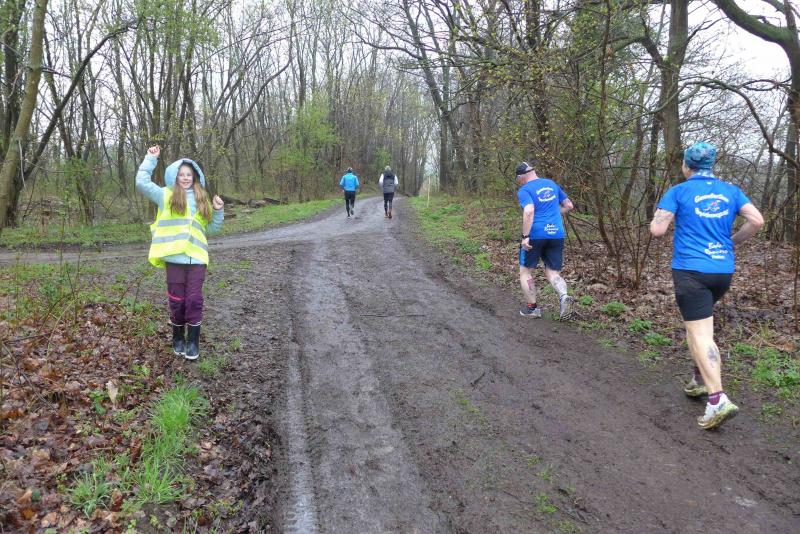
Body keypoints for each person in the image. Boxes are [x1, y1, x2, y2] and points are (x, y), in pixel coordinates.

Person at [650, 141, 764, 430]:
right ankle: (698, 380)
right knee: (698, 328)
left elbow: (657, 230)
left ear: (686, 165)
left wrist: (661, 216)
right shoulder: (731, 191)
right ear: (711, 165)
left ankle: (717, 399)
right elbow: (756, 220)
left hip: (691, 271)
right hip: (722, 271)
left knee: (700, 333)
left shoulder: (679, 191)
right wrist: (732, 242)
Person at [136, 145, 225, 361]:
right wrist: (150, 159)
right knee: (177, 300)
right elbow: (141, 183)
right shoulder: (165, 195)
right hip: (174, 257)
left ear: (195, 177)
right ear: (175, 176)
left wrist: (218, 211)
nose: (185, 178)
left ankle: (193, 341)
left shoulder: (202, 198)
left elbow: (211, 229)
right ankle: (177, 336)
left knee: (193, 299)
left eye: (189, 174)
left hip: (197, 258)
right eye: (181, 174)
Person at [515, 161, 575, 320]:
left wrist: (525, 236)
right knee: (552, 272)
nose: (519, 182)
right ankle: (564, 296)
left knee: (525, 271)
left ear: (522, 176)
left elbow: (529, 211)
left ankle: (532, 309)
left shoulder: (525, 190)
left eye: (518, 179)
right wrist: (553, 214)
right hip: (556, 234)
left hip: (536, 234)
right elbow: (569, 205)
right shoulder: (552, 184)